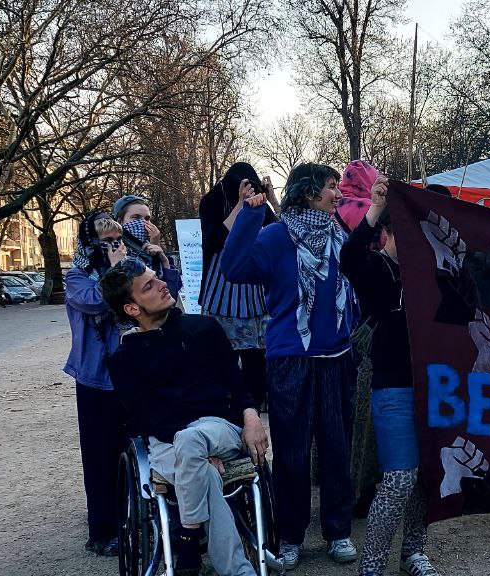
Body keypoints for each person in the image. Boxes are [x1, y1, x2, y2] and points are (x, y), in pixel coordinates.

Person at [219, 162, 360, 569]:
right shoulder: (276, 234)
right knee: (293, 452)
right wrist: (249, 214)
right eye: (332, 186)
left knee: (337, 448)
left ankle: (338, 531)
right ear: (310, 192)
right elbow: (233, 268)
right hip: (289, 358)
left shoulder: (340, 233)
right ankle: (292, 535)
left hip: (336, 357)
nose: (338, 193)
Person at [102, 258, 271, 576]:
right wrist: (196, 457)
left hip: (216, 429)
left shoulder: (203, 329)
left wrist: (251, 418)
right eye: (149, 286)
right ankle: (240, 571)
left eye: (157, 278)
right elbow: (147, 416)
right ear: (132, 309)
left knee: (192, 439)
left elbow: (237, 385)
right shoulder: (125, 359)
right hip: (167, 441)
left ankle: (189, 542)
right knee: (199, 467)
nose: (162, 284)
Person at [339, 175, 440, 576]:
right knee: (400, 477)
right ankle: (373, 565)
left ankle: (413, 553)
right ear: (390, 233)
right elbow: (348, 256)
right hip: (393, 386)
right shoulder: (375, 268)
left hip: (437, 387)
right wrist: (378, 206)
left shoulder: (435, 271)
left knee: (425, 476)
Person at [62, 212, 131, 556]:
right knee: (101, 457)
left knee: (133, 450)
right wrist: (118, 271)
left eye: (118, 239)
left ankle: (136, 520)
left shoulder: (129, 269)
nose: (114, 247)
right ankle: (103, 530)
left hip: (131, 374)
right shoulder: (76, 277)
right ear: (90, 244)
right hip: (95, 378)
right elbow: (96, 301)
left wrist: (159, 256)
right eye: (106, 241)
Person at [199, 163, 277, 409]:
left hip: (254, 292)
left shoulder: (259, 204)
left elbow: (277, 229)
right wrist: (239, 206)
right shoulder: (212, 201)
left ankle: (254, 405)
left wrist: (270, 199)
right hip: (221, 289)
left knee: (257, 362)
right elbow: (215, 239)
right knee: (222, 360)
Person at [113, 194, 182, 297]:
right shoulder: (113, 251)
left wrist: (163, 261)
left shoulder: (149, 247)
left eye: (147, 218)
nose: (143, 223)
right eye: (136, 217)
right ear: (119, 222)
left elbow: (171, 296)